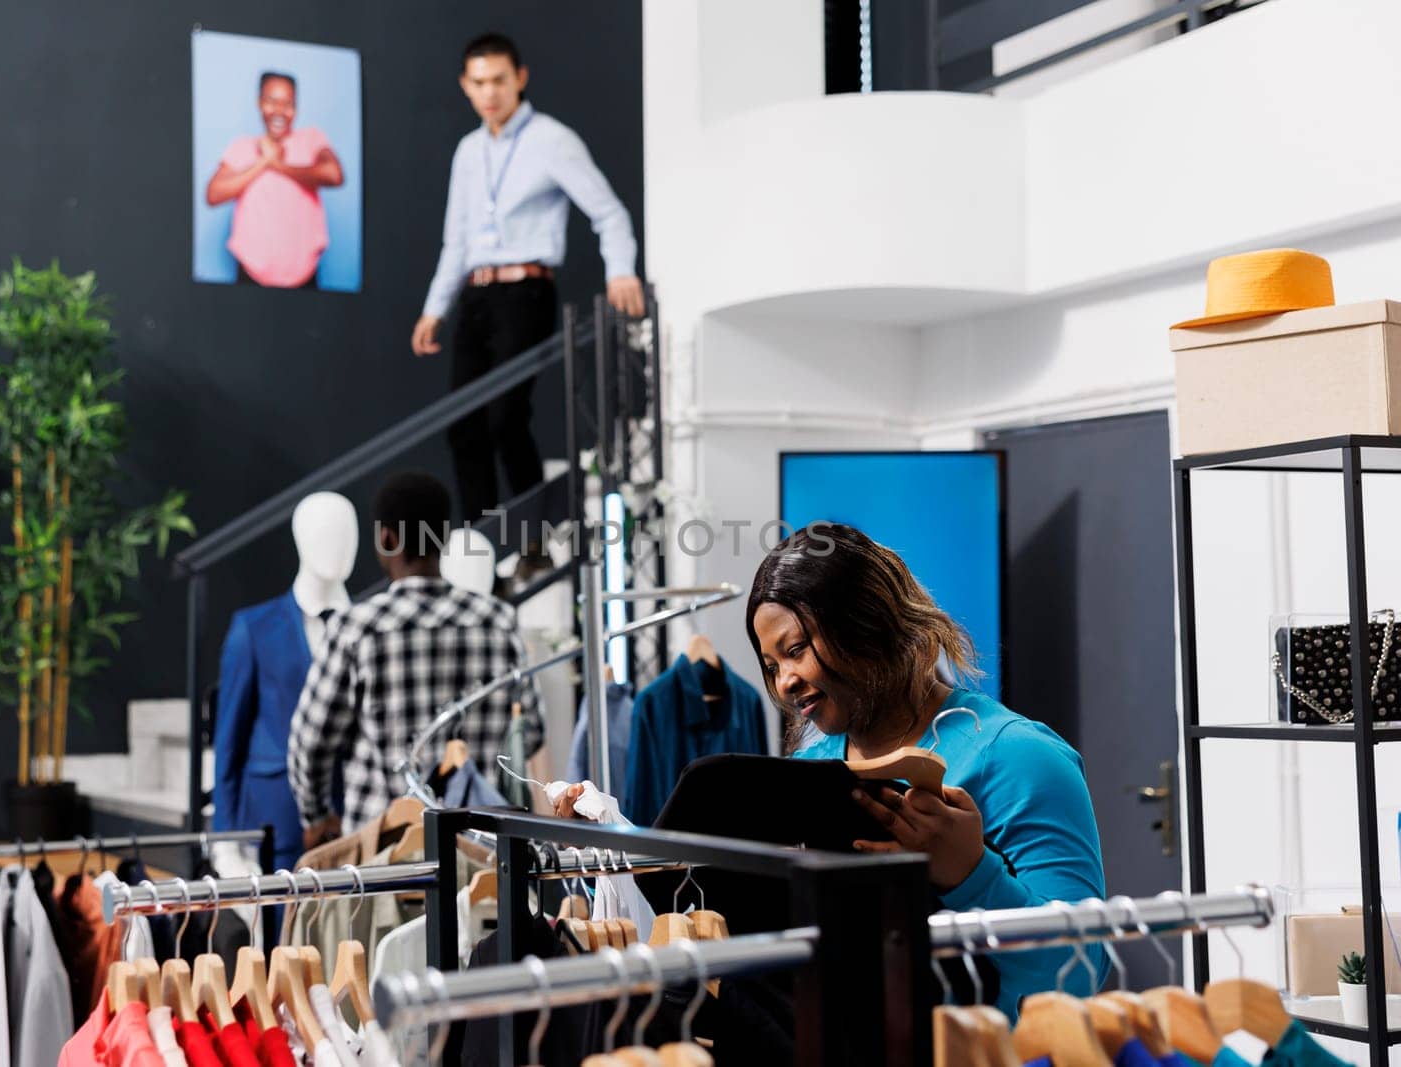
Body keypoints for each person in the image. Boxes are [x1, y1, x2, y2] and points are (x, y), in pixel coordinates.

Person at [556, 522, 1108, 1018]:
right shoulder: (810, 770)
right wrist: (617, 843)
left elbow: (1081, 972)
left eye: (796, 650)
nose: (784, 683)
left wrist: (972, 876)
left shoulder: (1018, 757)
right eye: (771, 666)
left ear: (869, 625)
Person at [411, 33, 644, 545]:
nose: (489, 92)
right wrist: (435, 309)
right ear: (465, 87)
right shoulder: (469, 151)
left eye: (498, 80)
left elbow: (608, 213)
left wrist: (620, 271)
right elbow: (456, 239)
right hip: (475, 296)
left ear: (520, 78)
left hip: (526, 293)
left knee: (505, 419)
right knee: (462, 427)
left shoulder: (551, 140)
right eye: (478, 83)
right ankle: (478, 551)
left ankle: (534, 540)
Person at [287, 472, 546, 848]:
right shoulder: (498, 621)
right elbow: (532, 730)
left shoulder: (357, 628)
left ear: (386, 538)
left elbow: (310, 744)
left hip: (385, 852)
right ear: (444, 536)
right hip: (477, 848)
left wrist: (316, 816)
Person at [205, 71, 344, 289]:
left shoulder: (312, 139)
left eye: (288, 103)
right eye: (271, 101)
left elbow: (334, 174)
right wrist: (263, 162)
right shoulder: (242, 147)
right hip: (250, 275)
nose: (279, 110)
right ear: (259, 103)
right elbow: (213, 194)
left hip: (305, 279)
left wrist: (278, 165)